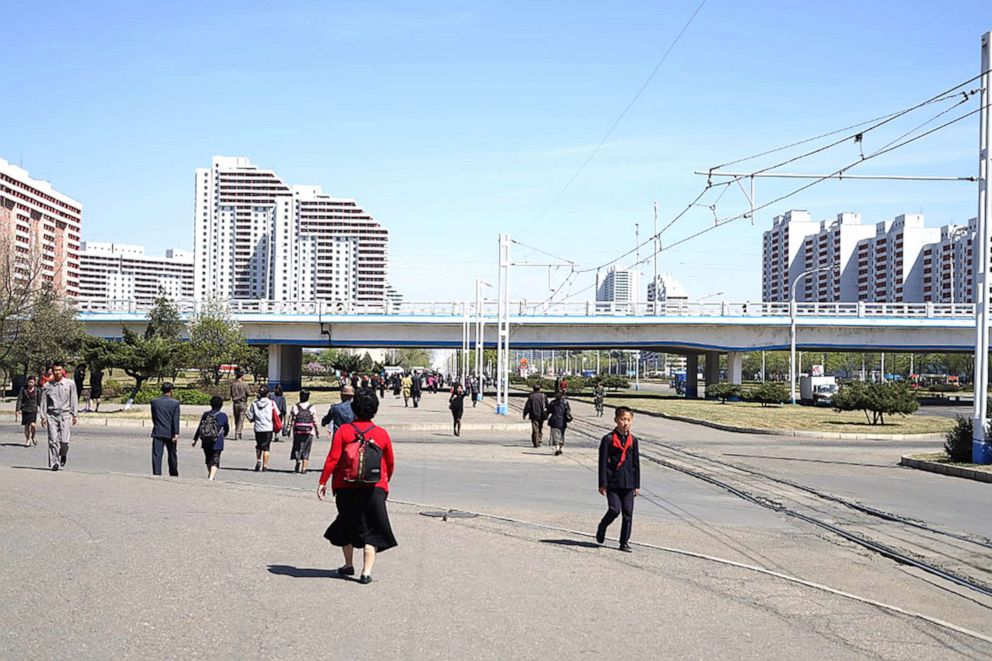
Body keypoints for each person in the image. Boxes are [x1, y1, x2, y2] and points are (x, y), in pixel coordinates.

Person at [317, 388, 397, 584]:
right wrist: (384, 484)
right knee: (373, 528)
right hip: (374, 488)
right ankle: (366, 572)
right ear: (374, 410)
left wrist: (322, 481)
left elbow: (333, 458)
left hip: (346, 486)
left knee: (348, 523)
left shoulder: (344, 431)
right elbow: (390, 462)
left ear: (354, 408)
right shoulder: (381, 434)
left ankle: (348, 564)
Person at [596, 407, 640, 553]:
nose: (625, 423)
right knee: (614, 510)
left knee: (628, 513)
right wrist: (602, 483)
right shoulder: (608, 439)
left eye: (628, 420)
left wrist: (637, 485)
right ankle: (602, 526)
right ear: (616, 420)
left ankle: (624, 542)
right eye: (622, 419)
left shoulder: (633, 440)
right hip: (613, 483)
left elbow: (636, 464)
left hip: (628, 483)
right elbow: (602, 463)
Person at [39, 362, 78, 471]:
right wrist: (43, 417)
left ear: (62, 370)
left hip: (65, 414)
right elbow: (43, 402)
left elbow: (74, 398)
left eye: (59, 370)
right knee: (53, 440)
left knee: (64, 441)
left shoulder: (70, 384)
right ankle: (54, 462)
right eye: (55, 370)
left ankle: (63, 454)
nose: (57, 372)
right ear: (52, 371)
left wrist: (74, 414)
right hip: (52, 415)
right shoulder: (47, 386)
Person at [192, 395, 229, 481]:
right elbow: (226, 428)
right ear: (221, 405)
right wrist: (224, 434)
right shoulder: (223, 415)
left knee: (208, 459)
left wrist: (195, 439)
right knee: (215, 458)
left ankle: (210, 475)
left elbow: (200, 427)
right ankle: (211, 477)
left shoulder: (206, 414)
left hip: (205, 440)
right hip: (217, 441)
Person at [150, 382, 181, 477]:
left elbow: (154, 417)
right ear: (171, 391)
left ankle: (157, 472)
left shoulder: (154, 402)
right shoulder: (175, 403)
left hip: (158, 431)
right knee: (172, 454)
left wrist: (157, 425)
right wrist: (176, 432)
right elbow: (175, 419)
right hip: (170, 432)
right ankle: (173, 472)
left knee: (157, 454)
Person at [246, 385, 277, 472]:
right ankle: (265, 465)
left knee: (258, 446)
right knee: (266, 447)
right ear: (267, 394)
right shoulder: (271, 403)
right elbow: (277, 413)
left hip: (258, 428)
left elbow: (251, 417)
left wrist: (247, 414)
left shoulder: (254, 403)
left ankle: (258, 460)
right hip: (268, 427)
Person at [288, 389, 319, 474]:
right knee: (306, 449)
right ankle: (304, 467)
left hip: (297, 431)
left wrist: (288, 429)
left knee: (297, 447)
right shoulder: (311, 407)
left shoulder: (295, 406)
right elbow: (315, 420)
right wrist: (317, 431)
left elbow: (291, 419)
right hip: (309, 432)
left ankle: (298, 461)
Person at [15, 375, 42, 447]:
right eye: (29, 382)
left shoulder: (37, 390)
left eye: (32, 382)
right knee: (26, 426)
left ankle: (33, 437)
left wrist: (43, 410)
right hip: (25, 409)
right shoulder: (23, 389)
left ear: (34, 383)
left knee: (33, 425)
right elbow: (19, 399)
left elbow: (40, 401)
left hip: (33, 409)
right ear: (27, 382)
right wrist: (17, 409)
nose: (30, 384)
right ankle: (27, 440)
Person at [522, 383, 549, 448]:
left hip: (534, 415)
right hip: (542, 415)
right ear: (540, 389)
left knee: (535, 429)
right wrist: (548, 413)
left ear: (533, 389)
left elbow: (527, 406)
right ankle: (539, 439)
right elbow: (547, 405)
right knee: (540, 428)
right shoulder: (543, 396)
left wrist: (525, 414)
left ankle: (536, 442)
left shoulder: (531, 396)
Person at [546, 390, 572, 456]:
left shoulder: (552, 403)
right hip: (563, 421)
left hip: (554, 421)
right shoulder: (565, 403)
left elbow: (548, 411)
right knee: (561, 435)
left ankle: (557, 448)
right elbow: (568, 410)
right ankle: (559, 448)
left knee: (555, 435)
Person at [230, 369, 250, 441]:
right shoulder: (245, 384)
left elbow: (231, 394)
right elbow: (248, 393)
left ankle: (238, 432)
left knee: (236, 419)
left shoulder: (233, 384)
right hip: (242, 403)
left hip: (235, 403)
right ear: (242, 375)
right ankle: (237, 433)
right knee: (241, 420)